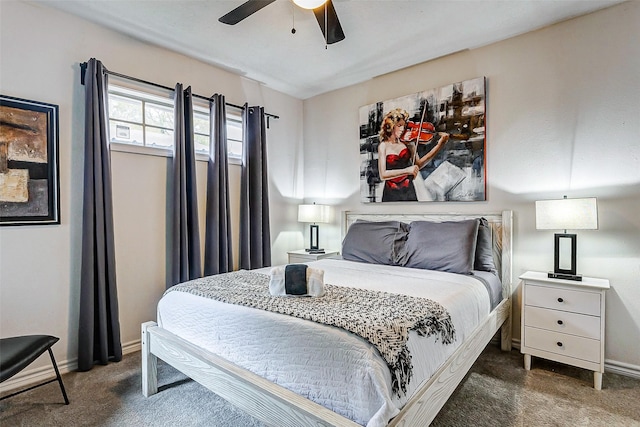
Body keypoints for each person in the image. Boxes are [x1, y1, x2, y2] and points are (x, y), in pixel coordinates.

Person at [377, 108, 449, 201]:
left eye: (404, 126)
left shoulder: (408, 143)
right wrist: (407, 170)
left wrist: (439, 146)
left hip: (408, 189)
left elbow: (418, 165)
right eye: (399, 126)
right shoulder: (383, 145)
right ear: (391, 126)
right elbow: (383, 175)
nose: (403, 129)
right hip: (391, 191)